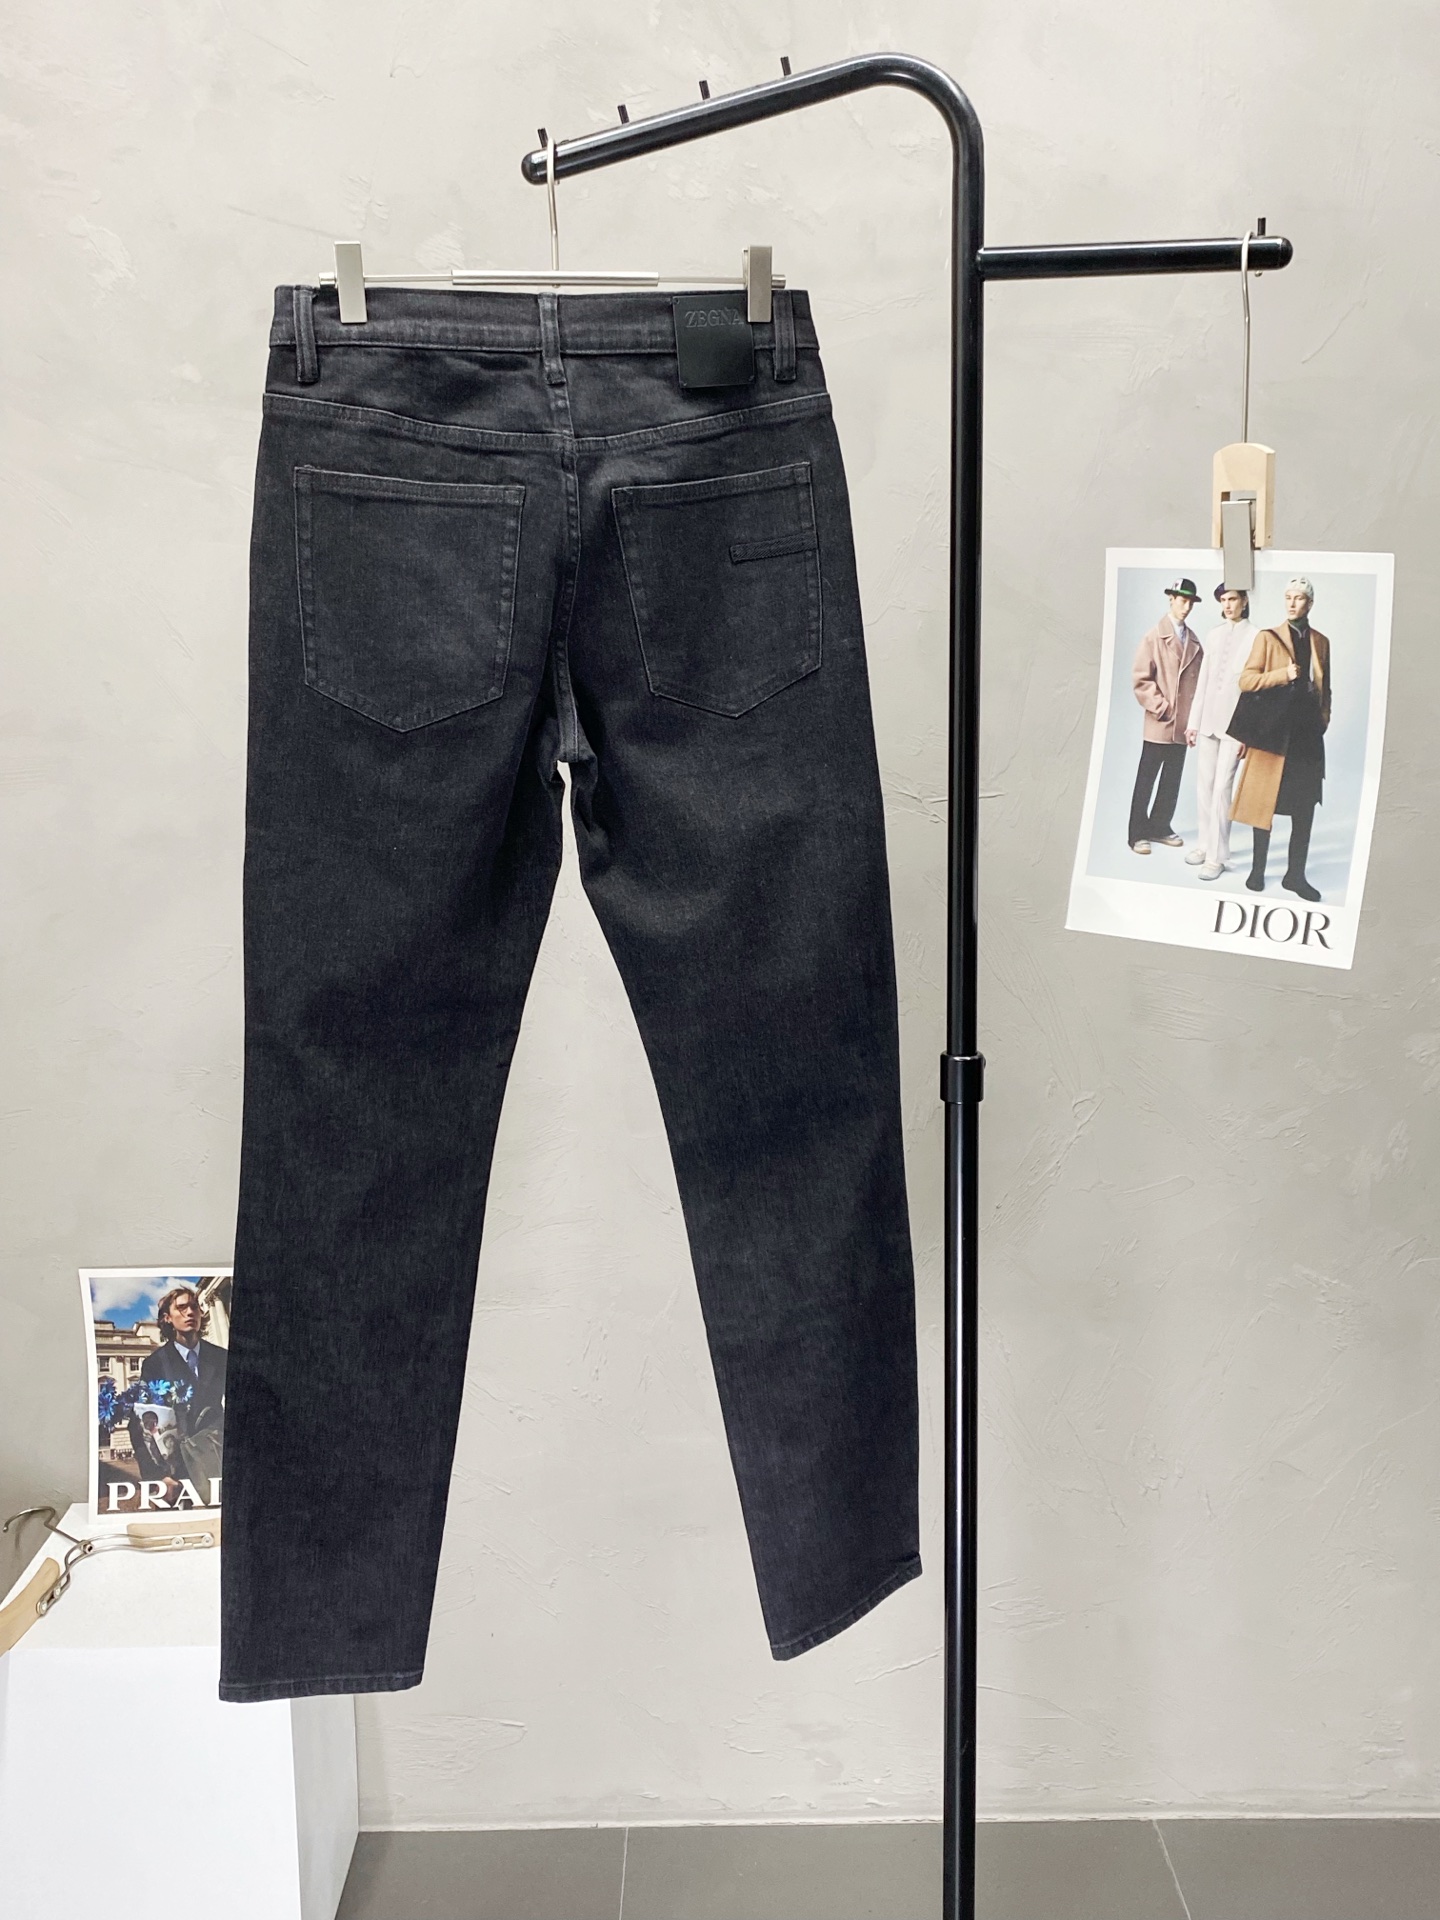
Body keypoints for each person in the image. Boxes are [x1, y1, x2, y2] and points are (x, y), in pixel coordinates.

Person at [1231, 576, 1331, 901]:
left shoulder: (1321, 641)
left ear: (1310, 604)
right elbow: (1246, 681)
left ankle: (1295, 876)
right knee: (1265, 803)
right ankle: (1257, 870)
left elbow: (1326, 688)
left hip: (1306, 738)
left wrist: (1323, 720)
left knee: (1305, 808)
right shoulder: (1268, 637)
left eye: (1299, 598)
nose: (1292, 603)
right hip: (1273, 734)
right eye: (1288, 597)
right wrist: (1281, 675)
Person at [1185, 584, 1255, 879]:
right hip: (1208, 722)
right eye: (1223, 600)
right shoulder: (1213, 635)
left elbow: (1255, 693)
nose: (1227, 605)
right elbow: (1203, 681)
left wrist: (1248, 734)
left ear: (1244, 601)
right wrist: (1193, 722)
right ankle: (1204, 844)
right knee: (1204, 786)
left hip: (1236, 726)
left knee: (1222, 789)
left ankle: (1217, 857)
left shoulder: (1257, 636)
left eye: (1233, 599)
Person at [1128, 578, 1202, 854]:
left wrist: (1193, 721)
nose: (1186, 606)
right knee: (1146, 779)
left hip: (1182, 725)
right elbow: (1141, 680)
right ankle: (1137, 833)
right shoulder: (1154, 637)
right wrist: (1162, 707)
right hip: (1161, 721)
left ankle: (1160, 826)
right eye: (1182, 600)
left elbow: (1200, 684)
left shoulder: (1194, 641)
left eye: (1190, 602)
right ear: (1171, 599)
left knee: (1172, 779)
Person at [142, 1284, 228, 1503]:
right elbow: (141, 1422)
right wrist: (157, 1476)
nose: (190, 1312)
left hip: (218, 1458)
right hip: (178, 1470)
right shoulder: (155, 1363)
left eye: (194, 1307)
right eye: (181, 1308)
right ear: (167, 1318)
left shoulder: (222, 1357)